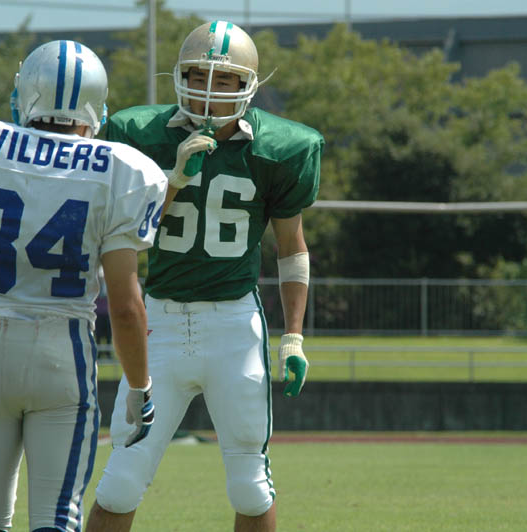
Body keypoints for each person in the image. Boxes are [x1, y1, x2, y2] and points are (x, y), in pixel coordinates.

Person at [0, 40, 166, 532]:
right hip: (62, 351)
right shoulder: (123, 170)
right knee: (57, 518)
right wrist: (140, 386)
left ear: (25, 92)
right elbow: (126, 306)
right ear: (96, 106)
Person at [86, 20, 323, 532]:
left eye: (224, 79)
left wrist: (294, 336)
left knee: (250, 487)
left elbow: (291, 249)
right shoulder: (138, 136)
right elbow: (121, 234)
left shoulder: (281, 147)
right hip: (160, 323)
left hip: (233, 326)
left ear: (248, 85)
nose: (209, 90)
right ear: (179, 76)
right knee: (121, 481)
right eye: (197, 76)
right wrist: (171, 180)